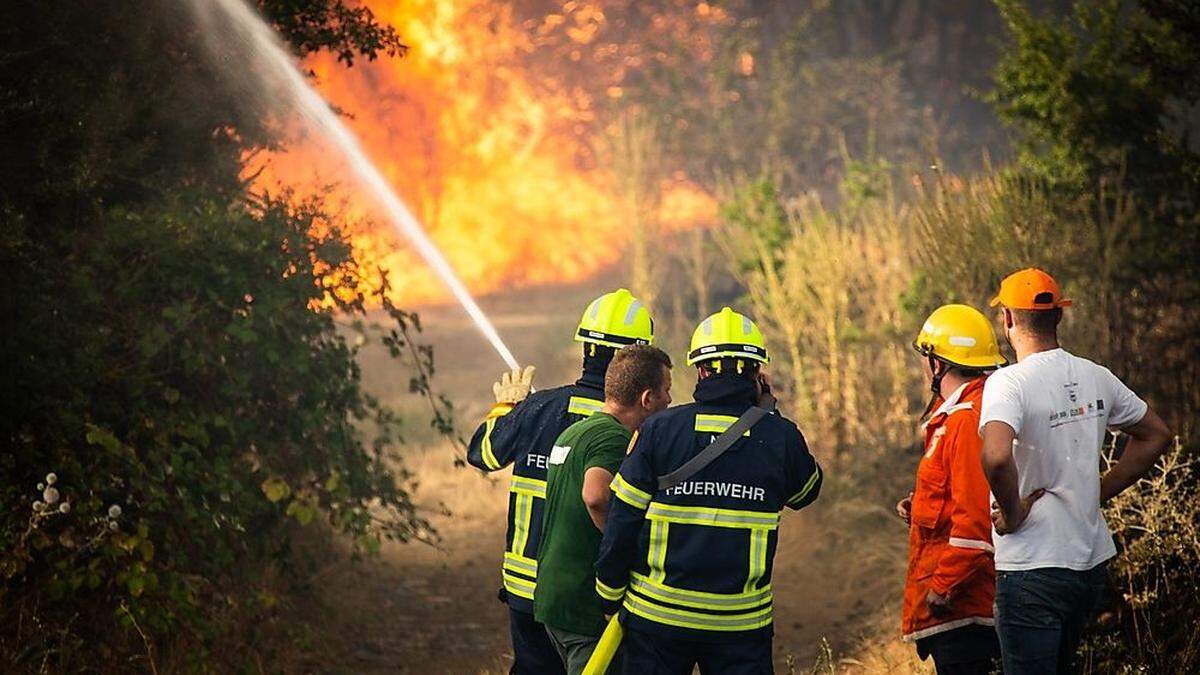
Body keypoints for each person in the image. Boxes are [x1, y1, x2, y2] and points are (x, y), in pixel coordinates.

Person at [594, 307, 823, 674]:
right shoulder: (779, 436)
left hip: (658, 618)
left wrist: (607, 591)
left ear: (699, 369)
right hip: (740, 626)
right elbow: (806, 492)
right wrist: (771, 414)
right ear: (757, 374)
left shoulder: (659, 430)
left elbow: (623, 517)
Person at [979, 268, 1173, 675]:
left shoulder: (1007, 384)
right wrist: (1096, 491)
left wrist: (1013, 513)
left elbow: (996, 457)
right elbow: (1156, 435)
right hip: (1087, 567)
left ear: (1008, 319)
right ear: (1059, 317)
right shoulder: (1094, 375)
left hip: (1032, 568)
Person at [467, 289, 655, 675]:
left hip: (524, 586)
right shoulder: (638, 424)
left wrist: (506, 408)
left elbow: (482, 455)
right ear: (634, 361)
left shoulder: (538, 408)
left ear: (586, 347)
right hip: (588, 594)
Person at [535, 344, 674, 674]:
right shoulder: (612, 438)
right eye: (667, 390)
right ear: (646, 398)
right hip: (587, 603)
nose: (670, 400)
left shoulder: (575, 432)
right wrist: (626, 547)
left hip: (554, 596)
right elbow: (595, 496)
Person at [897, 304, 1004, 674]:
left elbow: (975, 524)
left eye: (926, 357)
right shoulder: (957, 414)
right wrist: (921, 506)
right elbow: (960, 495)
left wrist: (941, 588)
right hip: (962, 611)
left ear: (938, 363)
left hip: (964, 609)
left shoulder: (965, 420)